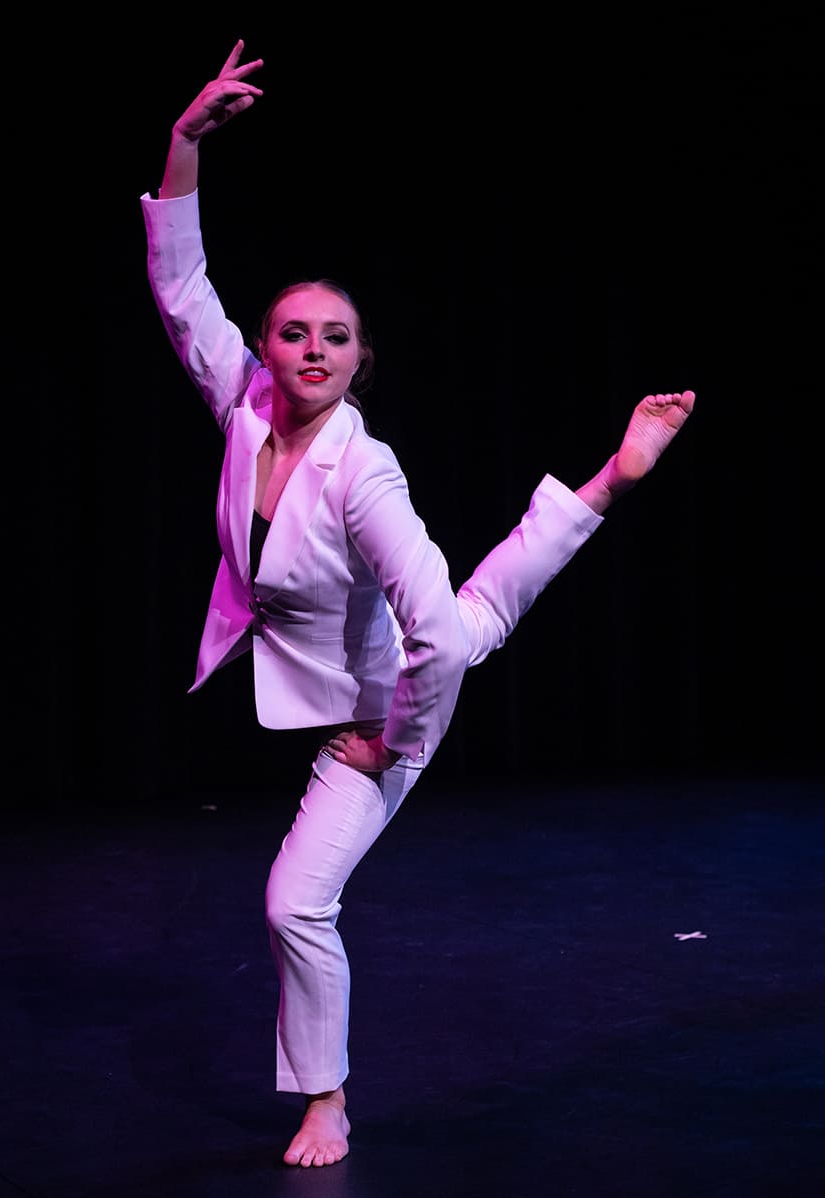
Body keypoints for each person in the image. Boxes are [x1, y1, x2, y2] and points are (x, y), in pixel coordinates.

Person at [142, 39, 695, 1169]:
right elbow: (180, 288)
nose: (308, 348)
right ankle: (612, 478)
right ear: (268, 347)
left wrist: (389, 736)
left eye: (332, 337)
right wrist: (184, 142)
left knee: (297, 898)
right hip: (367, 660)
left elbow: (432, 636)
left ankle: (327, 1100)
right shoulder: (245, 406)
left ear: (358, 362)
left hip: (385, 702)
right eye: (292, 330)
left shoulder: (363, 469)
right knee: (489, 608)